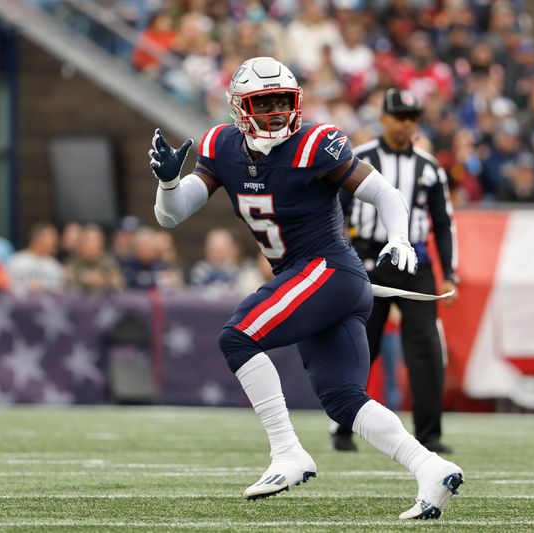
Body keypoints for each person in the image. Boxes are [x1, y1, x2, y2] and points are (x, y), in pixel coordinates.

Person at [150, 56, 463, 520]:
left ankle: (287, 452)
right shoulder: (221, 145)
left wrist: (399, 236)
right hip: (318, 279)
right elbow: (171, 215)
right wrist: (169, 182)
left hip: (328, 269)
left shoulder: (316, 142)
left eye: (283, 100)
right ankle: (431, 468)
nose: (277, 111)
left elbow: (382, 193)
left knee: (237, 335)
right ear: (240, 107)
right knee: (342, 398)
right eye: (264, 102)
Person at [334, 89, 458, 455]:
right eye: (400, 116)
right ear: (384, 118)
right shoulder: (360, 159)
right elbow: (335, 211)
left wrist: (450, 271)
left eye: (413, 117)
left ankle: (429, 432)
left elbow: (443, 222)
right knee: (361, 346)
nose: (407, 123)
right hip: (367, 259)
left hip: (415, 261)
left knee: (425, 347)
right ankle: (342, 425)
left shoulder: (430, 166)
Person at [8, 222, 65, 295]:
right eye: (52, 238)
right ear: (38, 238)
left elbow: (60, 292)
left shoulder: (56, 266)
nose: (55, 242)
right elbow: (8, 287)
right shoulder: (16, 261)